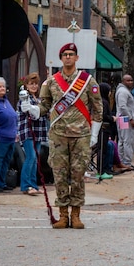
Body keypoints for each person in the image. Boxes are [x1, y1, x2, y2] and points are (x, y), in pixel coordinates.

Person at [36, 43, 102, 228]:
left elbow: (97, 108)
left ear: (77, 58)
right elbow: (44, 105)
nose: (68, 57)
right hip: (58, 135)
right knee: (60, 175)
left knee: (78, 174)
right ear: (61, 57)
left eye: (71, 54)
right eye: (65, 54)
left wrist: (94, 133)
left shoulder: (88, 81)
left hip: (81, 135)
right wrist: (34, 110)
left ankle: (76, 214)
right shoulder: (51, 82)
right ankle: (63, 214)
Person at [18, 72, 50, 195]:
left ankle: (33, 184)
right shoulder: (24, 98)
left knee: (36, 159)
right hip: (28, 131)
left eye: (36, 84)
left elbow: (45, 112)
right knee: (30, 157)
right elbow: (29, 113)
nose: (34, 86)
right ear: (26, 85)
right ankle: (25, 185)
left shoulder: (40, 99)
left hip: (39, 132)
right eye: (31, 84)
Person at [115, 74, 134, 168]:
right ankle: (126, 162)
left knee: (123, 140)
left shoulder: (124, 91)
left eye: (131, 80)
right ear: (123, 81)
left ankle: (123, 161)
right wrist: (131, 118)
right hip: (125, 119)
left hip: (123, 118)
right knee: (127, 140)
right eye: (128, 81)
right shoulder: (123, 92)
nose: (130, 82)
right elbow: (122, 106)